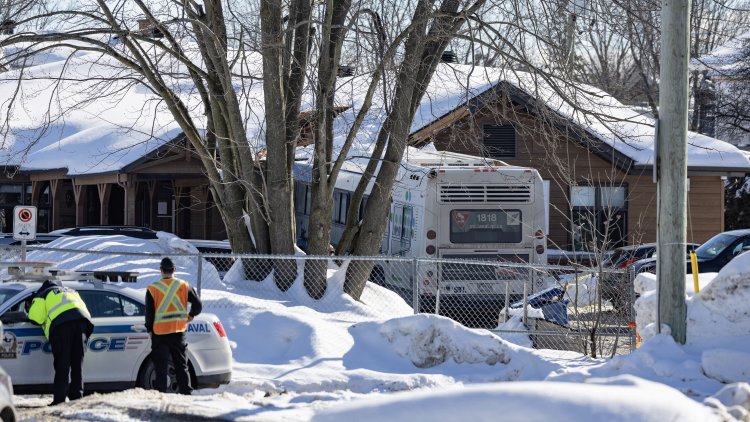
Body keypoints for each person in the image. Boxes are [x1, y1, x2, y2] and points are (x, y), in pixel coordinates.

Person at [27, 279, 94, 406]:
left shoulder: (43, 294)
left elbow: (35, 318)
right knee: (76, 364)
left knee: (62, 364)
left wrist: (30, 308)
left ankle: (59, 401)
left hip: (62, 326)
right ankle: (76, 398)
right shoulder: (71, 291)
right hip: (82, 323)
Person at [145, 257, 202, 395]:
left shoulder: (153, 289)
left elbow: (149, 314)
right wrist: (190, 316)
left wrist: (150, 330)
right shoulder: (184, 286)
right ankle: (186, 396)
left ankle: (161, 397)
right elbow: (198, 305)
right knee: (182, 366)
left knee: (160, 369)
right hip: (178, 332)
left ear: (161, 270)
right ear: (174, 269)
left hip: (160, 334)